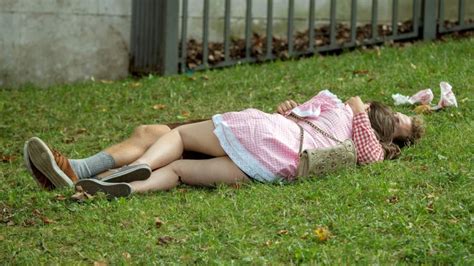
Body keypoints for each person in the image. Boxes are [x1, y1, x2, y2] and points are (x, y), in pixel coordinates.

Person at [24, 90, 424, 197]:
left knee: (159, 136)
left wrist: (357, 109)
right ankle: (90, 180)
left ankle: (81, 169)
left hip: (252, 136)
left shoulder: (352, 119)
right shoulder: (340, 129)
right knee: (158, 142)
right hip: (268, 157)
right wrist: (289, 109)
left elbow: (370, 152)